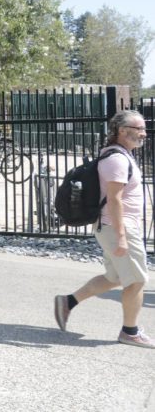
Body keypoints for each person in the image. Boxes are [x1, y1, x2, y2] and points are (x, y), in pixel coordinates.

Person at [54, 110, 154, 348]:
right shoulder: (117, 159)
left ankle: (68, 302)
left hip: (114, 226)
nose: (144, 133)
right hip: (119, 227)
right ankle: (130, 332)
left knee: (115, 277)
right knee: (137, 280)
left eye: (144, 128)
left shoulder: (122, 155)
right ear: (122, 130)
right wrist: (121, 237)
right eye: (138, 128)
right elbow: (114, 200)